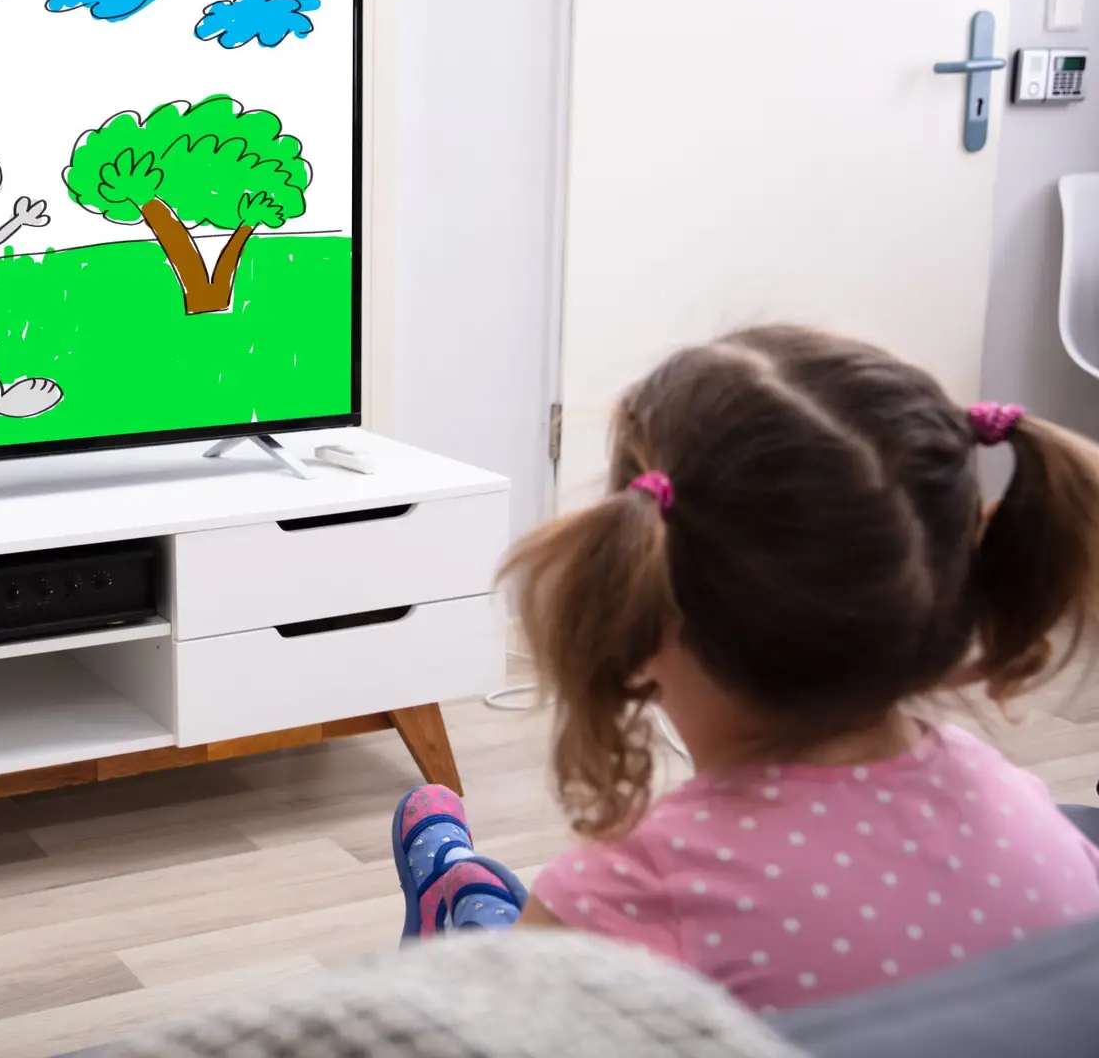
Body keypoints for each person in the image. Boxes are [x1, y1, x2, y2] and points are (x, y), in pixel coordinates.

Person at [392, 325, 1099, 1013]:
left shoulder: (625, 894)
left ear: (637, 608)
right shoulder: (1024, 807)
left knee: (478, 958)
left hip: (560, 972)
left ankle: (455, 893)